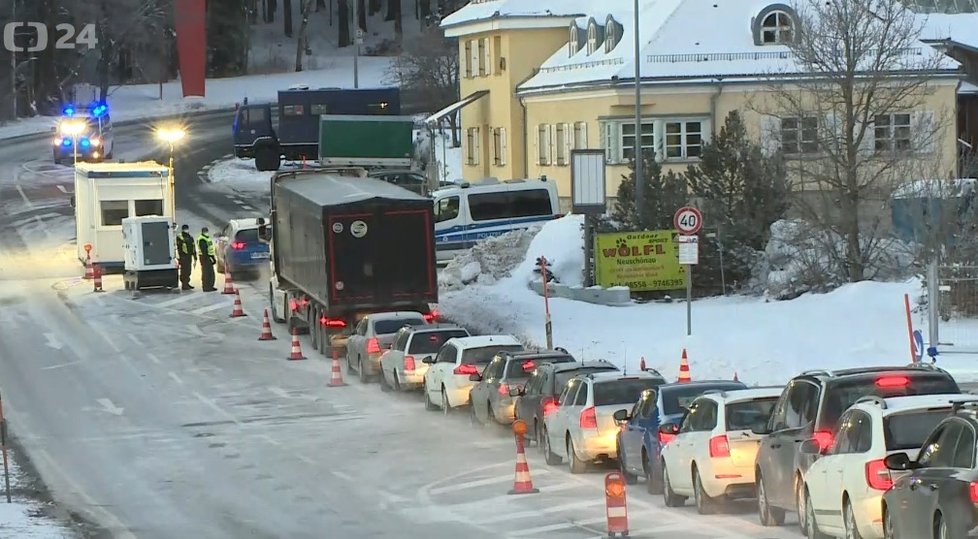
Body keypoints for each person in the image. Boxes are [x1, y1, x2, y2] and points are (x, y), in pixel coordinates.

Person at [175, 224, 197, 290]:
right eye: (185, 229)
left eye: (187, 229)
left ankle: (187, 283)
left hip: (189, 256)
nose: (186, 230)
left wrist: (195, 256)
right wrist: (179, 257)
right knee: (184, 271)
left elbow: (193, 247)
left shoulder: (190, 237)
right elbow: (178, 247)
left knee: (188, 270)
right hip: (183, 256)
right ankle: (184, 284)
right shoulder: (180, 237)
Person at [197, 226, 217, 292]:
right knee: (206, 273)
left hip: (209, 257)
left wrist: (213, 258)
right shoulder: (202, 239)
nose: (206, 233)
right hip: (205, 257)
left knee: (211, 273)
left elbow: (210, 249)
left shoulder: (208, 238)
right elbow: (204, 250)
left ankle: (210, 286)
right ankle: (206, 287)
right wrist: (209, 258)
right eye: (205, 232)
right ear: (203, 232)